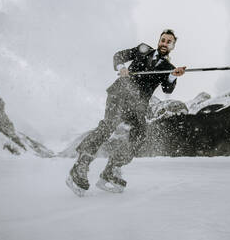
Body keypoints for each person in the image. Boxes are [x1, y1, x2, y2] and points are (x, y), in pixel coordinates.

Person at [66, 29, 186, 196]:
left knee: (139, 135)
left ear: (173, 46)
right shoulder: (143, 48)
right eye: (163, 40)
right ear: (159, 41)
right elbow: (118, 56)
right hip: (120, 94)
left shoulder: (169, 68)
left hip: (138, 106)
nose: (165, 43)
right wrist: (122, 68)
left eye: (169, 42)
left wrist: (173, 76)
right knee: (108, 126)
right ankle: (80, 165)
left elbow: (167, 88)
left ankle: (112, 169)